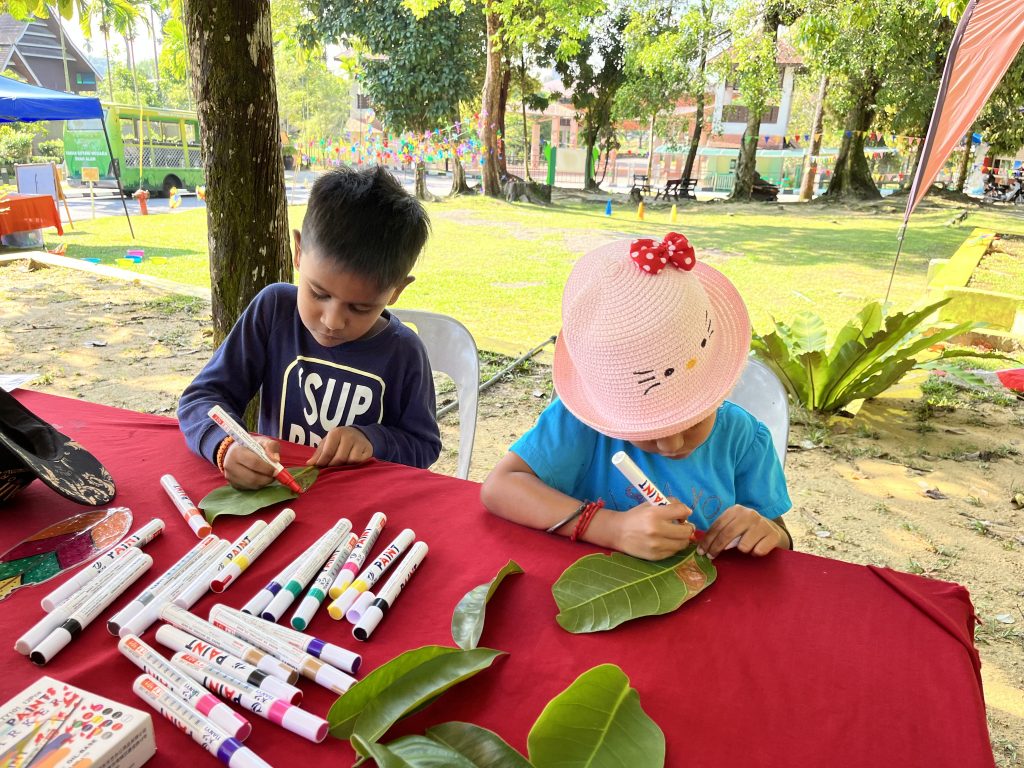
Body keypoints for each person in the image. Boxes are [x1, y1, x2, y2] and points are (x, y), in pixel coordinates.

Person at [481, 233, 792, 561]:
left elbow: (781, 538)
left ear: (720, 388)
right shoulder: (582, 427)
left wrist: (768, 532)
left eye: (693, 418)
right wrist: (610, 528)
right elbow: (500, 487)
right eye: (647, 430)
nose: (671, 445)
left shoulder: (744, 439)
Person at [178, 166, 441, 489]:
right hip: (275, 502)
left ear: (396, 290)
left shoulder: (404, 351)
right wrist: (225, 445)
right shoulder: (273, 310)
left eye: (360, 307)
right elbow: (201, 399)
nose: (332, 321)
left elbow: (424, 446)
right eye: (319, 293)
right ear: (299, 252)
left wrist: (374, 439)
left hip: (360, 515)